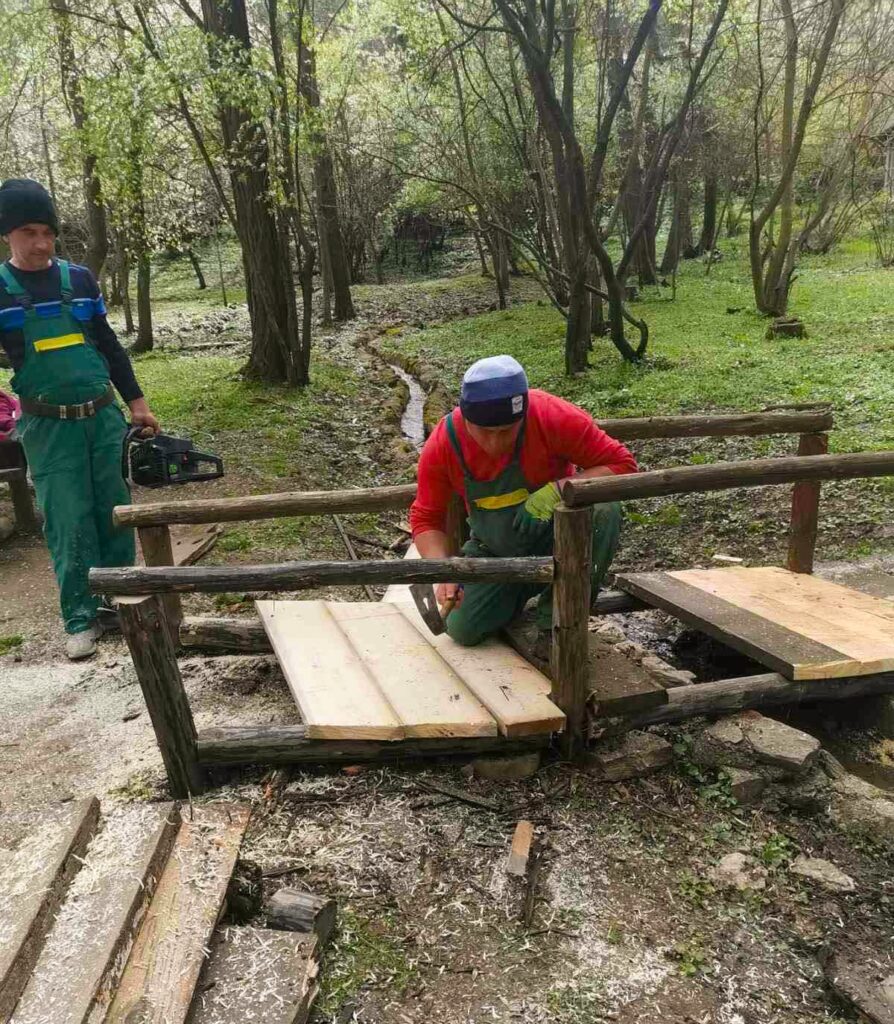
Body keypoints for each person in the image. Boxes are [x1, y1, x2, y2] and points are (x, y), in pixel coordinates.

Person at [0, 178, 159, 660]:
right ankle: (80, 618)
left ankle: (120, 603)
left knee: (115, 510)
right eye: (29, 232)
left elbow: (108, 345)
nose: (41, 243)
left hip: (102, 417)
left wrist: (137, 403)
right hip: (47, 428)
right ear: (7, 234)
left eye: (48, 232)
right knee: (68, 519)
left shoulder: (80, 281)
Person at [410, 354, 637, 650]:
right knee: (462, 628)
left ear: (523, 416)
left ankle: (555, 624)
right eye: (484, 432)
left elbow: (622, 465)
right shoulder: (444, 443)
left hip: (560, 544)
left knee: (604, 508)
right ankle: (520, 590)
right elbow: (426, 518)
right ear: (466, 418)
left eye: (506, 431)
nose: (495, 443)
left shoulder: (551, 416)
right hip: (495, 552)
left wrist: (559, 489)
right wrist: (444, 570)